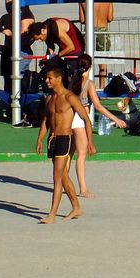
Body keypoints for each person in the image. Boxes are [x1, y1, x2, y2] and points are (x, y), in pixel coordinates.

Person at [35, 62, 85, 223]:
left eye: (49, 78)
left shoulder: (70, 97)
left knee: (57, 177)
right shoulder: (49, 99)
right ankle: (76, 207)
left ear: (59, 78)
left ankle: (52, 214)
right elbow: (46, 121)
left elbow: (86, 118)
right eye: (46, 78)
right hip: (53, 139)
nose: (46, 81)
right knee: (62, 176)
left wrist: (90, 142)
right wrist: (40, 139)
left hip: (66, 138)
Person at [68, 54, 104, 198]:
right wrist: (116, 118)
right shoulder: (88, 84)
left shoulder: (72, 81)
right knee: (81, 155)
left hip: (70, 117)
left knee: (69, 153)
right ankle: (83, 188)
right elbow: (98, 105)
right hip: (80, 118)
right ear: (89, 67)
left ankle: (63, 181)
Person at [0, 0, 35, 94]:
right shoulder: (5, 17)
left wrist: (13, 35)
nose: (8, 6)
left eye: (10, 4)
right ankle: (9, 102)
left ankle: (20, 100)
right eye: (6, 4)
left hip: (20, 50)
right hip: (7, 50)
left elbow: (30, 35)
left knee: (19, 77)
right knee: (7, 78)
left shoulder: (24, 16)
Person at [78, 1, 114, 86]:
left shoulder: (84, 0)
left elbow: (82, 19)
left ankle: (87, 87)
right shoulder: (107, 0)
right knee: (102, 64)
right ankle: (101, 87)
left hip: (89, 31)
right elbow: (110, 18)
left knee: (87, 62)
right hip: (103, 31)